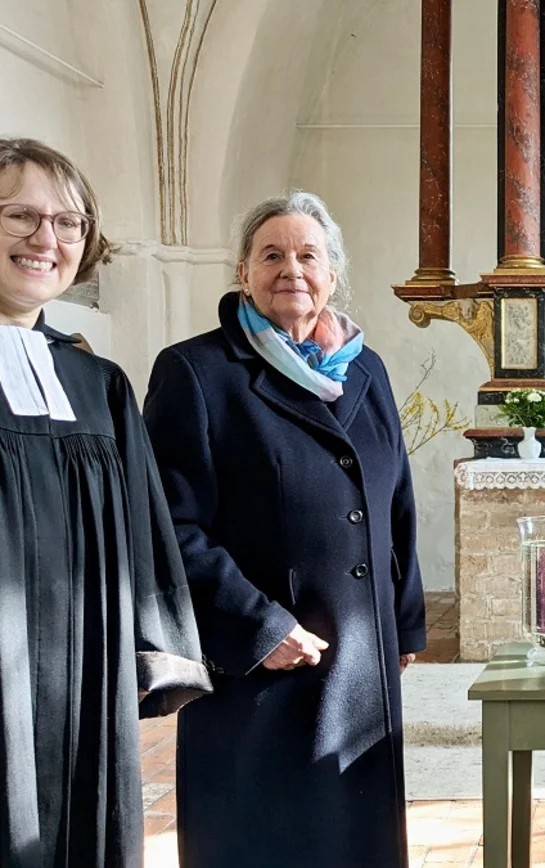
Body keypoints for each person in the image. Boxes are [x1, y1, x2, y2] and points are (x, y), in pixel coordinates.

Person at [143, 191, 426, 867]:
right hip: (261, 666)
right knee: (262, 834)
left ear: (332, 275)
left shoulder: (365, 368)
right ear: (243, 272)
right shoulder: (198, 372)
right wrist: (259, 627)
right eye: (271, 254)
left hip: (358, 653)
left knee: (353, 836)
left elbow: (397, 498)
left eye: (308, 255)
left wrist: (405, 621)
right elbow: (169, 524)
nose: (290, 269)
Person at [0, 137, 210, 868]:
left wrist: (154, 647)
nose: (45, 239)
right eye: (20, 216)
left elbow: (143, 532)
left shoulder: (98, 384)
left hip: (82, 670)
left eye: (68, 223)